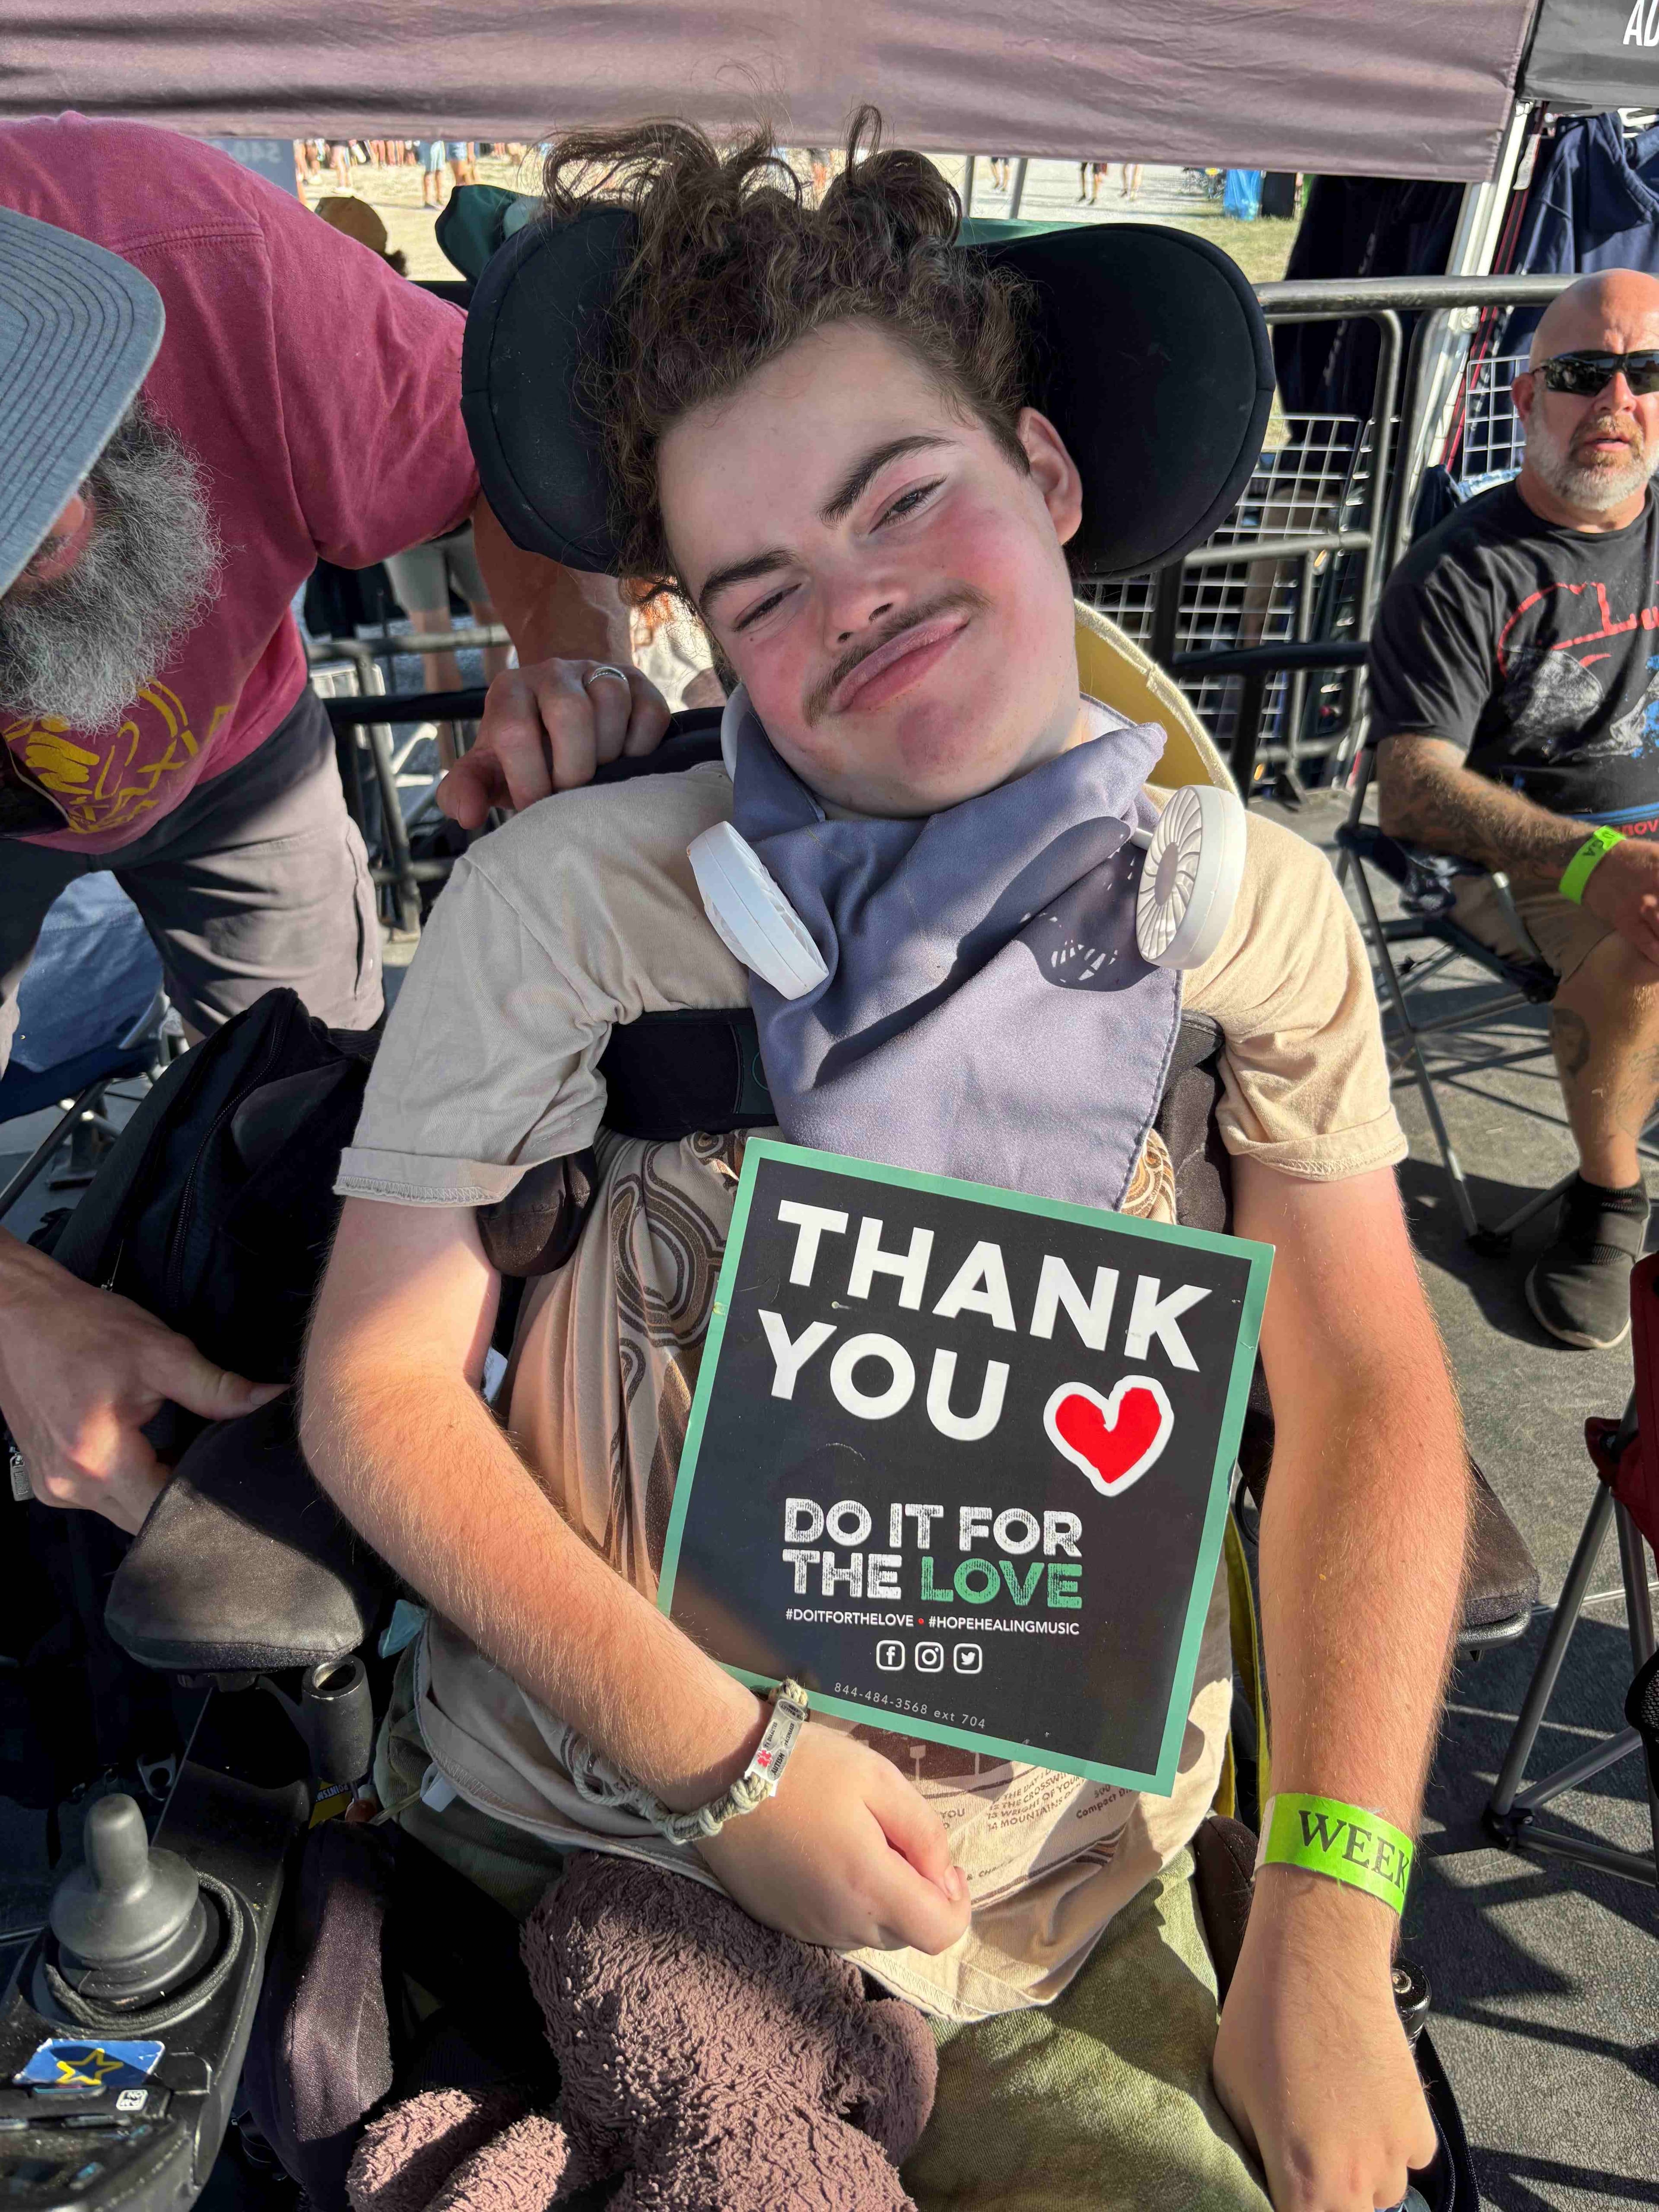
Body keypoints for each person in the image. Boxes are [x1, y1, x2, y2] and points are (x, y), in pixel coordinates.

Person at [305, 112, 1467, 2212]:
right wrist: (722, 1763)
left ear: (1044, 475)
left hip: (1064, 1892)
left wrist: (1333, 1905)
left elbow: (1372, 1387)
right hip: (614, 1845)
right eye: (758, 586)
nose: (852, 603)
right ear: (699, 633)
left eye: (904, 496)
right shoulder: (576, 903)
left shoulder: (1247, 915)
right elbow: (378, 1386)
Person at [0, 114, 662, 1535]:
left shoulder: (208, 258)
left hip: (236, 753)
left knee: (345, 1120)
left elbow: (508, 458)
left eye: (25, 537)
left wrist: (568, 658)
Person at [1370, 267, 1659, 1350]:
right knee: (1647, 941)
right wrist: (1596, 863)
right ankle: (1610, 1199)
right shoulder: (1460, 573)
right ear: (1527, 399)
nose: (1617, 403)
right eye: (1584, 374)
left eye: (1648, 373)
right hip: (1531, 851)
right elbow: (1414, 790)